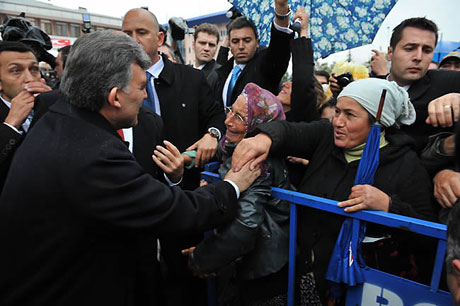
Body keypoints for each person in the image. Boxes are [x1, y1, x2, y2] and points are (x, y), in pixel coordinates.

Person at [0, 30, 260, 306]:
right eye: (140, 87)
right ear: (114, 97)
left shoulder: (59, 121)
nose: (146, 94)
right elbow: (176, 210)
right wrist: (232, 185)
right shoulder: (94, 155)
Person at [231, 78, 436, 303]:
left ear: (378, 121)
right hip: (301, 272)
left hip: (357, 288)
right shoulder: (326, 137)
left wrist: (388, 206)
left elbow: (428, 236)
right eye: (337, 111)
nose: (338, 121)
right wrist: (263, 139)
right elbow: (290, 131)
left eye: (350, 115)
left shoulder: (406, 164)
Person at [182, 82, 290, 306]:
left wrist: (203, 258)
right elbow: (221, 151)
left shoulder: (254, 161)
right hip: (249, 264)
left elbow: (245, 226)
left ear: (258, 125)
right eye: (230, 110)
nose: (227, 120)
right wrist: (187, 158)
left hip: (262, 271)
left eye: (240, 117)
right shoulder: (239, 146)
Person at [215, 0, 294, 107]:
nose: (241, 46)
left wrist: (281, 9)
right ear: (229, 43)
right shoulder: (223, 72)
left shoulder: (265, 66)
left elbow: (279, 47)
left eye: (247, 40)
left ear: (257, 42)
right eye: (235, 41)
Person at [0, 41, 51, 190]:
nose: (29, 78)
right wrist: (11, 123)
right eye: (16, 71)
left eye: (34, 69)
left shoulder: (52, 107)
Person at [192, 23, 221, 88]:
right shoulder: (184, 72)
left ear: (216, 47)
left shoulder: (220, 75)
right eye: (202, 43)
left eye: (211, 45)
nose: (206, 48)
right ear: (193, 44)